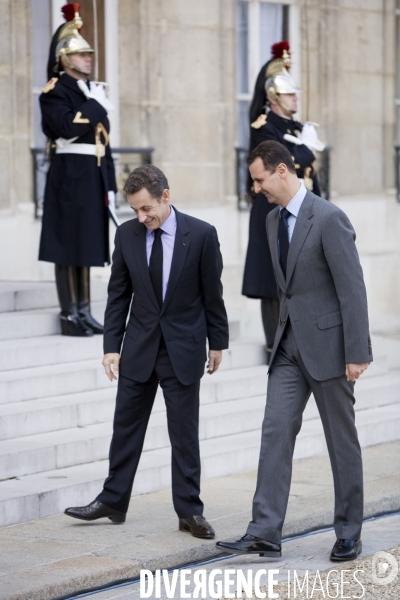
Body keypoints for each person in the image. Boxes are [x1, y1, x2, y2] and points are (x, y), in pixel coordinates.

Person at [217, 140, 372, 561]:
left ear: (282, 171)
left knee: (341, 441)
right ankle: (264, 532)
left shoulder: (329, 218)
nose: (256, 188)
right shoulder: (270, 221)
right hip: (287, 348)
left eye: (259, 179)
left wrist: (357, 352)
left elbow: (352, 290)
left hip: (330, 348)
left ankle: (349, 531)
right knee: (275, 431)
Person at [64, 165, 229, 538]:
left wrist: (218, 341)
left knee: (184, 434)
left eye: (146, 209)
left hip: (182, 349)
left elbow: (212, 294)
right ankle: (112, 501)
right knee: (125, 428)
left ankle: (189, 511)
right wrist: (111, 347)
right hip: (138, 347)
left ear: (165, 196)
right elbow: (118, 293)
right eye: (135, 210)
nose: (141, 217)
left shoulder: (201, 235)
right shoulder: (127, 234)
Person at [39, 3, 117, 336]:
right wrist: (96, 105)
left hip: (91, 172)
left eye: (88, 54)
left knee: (86, 243)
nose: (88, 59)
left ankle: (84, 311)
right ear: (65, 59)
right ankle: (69, 314)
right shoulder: (55, 91)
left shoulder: (88, 90)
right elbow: (66, 127)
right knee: (67, 244)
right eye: (82, 55)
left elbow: (103, 141)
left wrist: (110, 184)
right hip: (70, 173)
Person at [242, 42, 323, 364]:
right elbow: (290, 161)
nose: (296, 98)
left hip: (300, 209)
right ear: (274, 98)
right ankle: (274, 344)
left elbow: (306, 166)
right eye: (290, 95)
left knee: (299, 276)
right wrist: (304, 151)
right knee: (272, 277)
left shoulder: (295, 128)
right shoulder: (265, 127)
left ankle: (296, 340)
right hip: (272, 209)